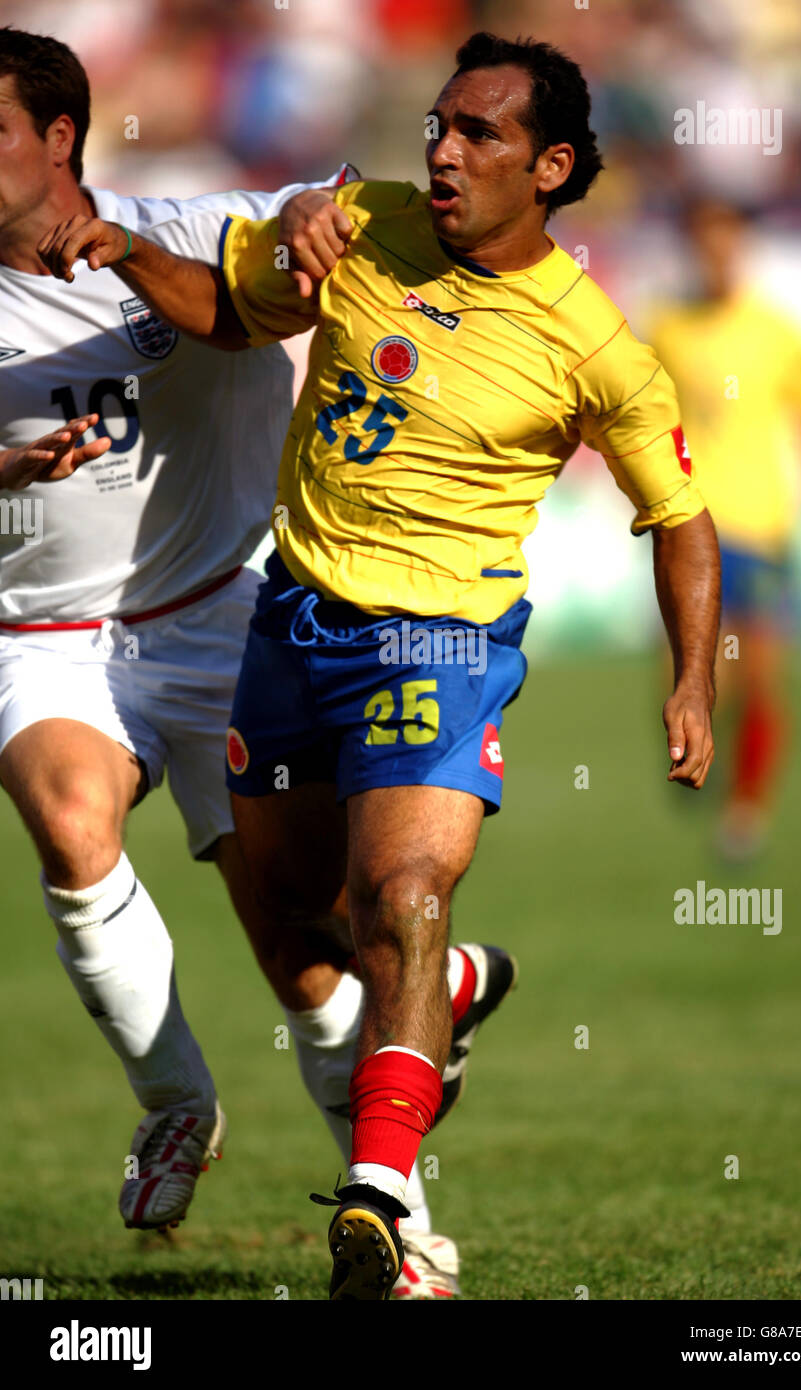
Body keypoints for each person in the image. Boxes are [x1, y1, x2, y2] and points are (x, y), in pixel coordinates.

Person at [42, 30, 721, 1300]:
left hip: (441, 645)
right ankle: (449, 987)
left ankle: (384, 1201)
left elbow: (680, 515)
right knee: (309, 915)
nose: (443, 151)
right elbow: (235, 312)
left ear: (552, 166)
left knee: (404, 893)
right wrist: (135, 252)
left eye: (478, 135)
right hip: (293, 619)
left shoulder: (593, 348)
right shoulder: (360, 223)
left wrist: (689, 678)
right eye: (438, 125)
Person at [0, 25, 508, 1299]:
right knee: (71, 825)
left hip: (222, 616)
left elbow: (287, 235)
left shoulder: (180, 215)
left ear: (60, 140)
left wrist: (305, 224)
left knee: (312, 956)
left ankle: (401, 1234)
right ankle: (176, 1102)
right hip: (44, 637)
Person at [649, 200, 801, 857]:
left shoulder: (776, 332)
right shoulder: (669, 329)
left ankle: (745, 813)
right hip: (692, 526)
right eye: (705, 245)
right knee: (692, 681)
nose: (717, 257)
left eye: (727, 245)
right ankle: (708, 756)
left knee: (759, 677)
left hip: (763, 530)